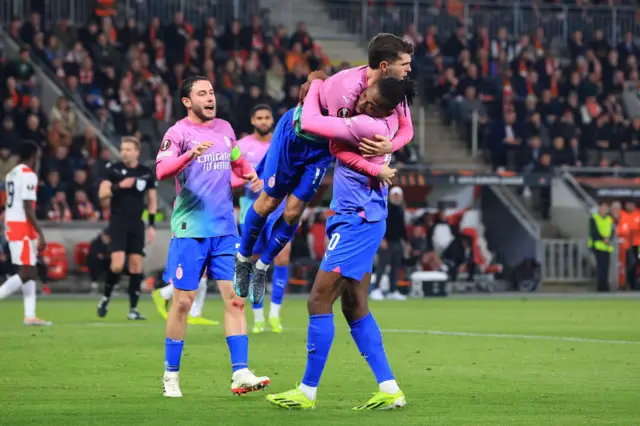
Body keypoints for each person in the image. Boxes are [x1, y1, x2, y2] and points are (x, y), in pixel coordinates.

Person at [266, 77, 416, 410]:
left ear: (384, 109)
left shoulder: (364, 123)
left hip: (356, 220)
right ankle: (390, 388)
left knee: (318, 300)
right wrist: (381, 165)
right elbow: (404, 127)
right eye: (366, 95)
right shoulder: (391, 118)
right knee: (354, 306)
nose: (363, 101)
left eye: (373, 101)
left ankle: (307, 391)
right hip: (362, 215)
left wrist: (317, 84)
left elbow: (310, 122)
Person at [235, 33, 415, 304]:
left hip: (323, 149)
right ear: (384, 66)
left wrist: (389, 146)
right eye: (405, 64)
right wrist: (317, 83)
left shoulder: (393, 91)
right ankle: (243, 258)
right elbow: (315, 125)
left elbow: (407, 129)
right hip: (296, 137)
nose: (409, 70)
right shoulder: (347, 88)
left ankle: (263, 266)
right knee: (269, 202)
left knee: (294, 212)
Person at [155, 75, 269, 398]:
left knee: (235, 298)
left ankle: (241, 373)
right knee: (183, 303)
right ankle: (171, 377)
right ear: (187, 102)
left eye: (212, 92)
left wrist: (249, 174)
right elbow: (162, 171)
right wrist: (189, 156)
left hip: (225, 229)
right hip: (190, 230)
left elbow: (237, 161)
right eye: (202, 93)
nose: (210, 97)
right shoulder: (177, 133)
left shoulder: (225, 129)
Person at [234, 105, 290, 334]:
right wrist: (247, 182)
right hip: (252, 208)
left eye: (267, 117)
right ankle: (257, 318)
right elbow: (232, 174)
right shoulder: (242, 146)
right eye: (260, 117)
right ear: (252, 120)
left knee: (283, 258)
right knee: (253, 258)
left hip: (280, 208)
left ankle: (275, 315)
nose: (264, 121)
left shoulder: (282, 143)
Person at [96, 136, 158, 320]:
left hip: (137, 223)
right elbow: (102, 194)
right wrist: (118, 187)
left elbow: (152, 200)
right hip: (118, 222)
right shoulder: (113, 170)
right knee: (116, 265)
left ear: (137, 152)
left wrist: (152, 225)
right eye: (123, 149)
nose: (124, 152)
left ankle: (133, 309)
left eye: (128, 149)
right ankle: (105, 297)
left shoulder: (145, 172)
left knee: (136, 266)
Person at [0, 141, 51, 325]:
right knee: (29, 272)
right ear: (33, 156)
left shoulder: (12, 173)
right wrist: (40, 232)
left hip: (13, 223)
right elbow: (28, 207)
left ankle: (30, 315)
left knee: (27, 269)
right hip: (21, 225)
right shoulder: (28, 175)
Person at [372, 186, 408, 300]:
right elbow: (379, 225)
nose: (396, 198)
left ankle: (393, 290)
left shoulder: (400, 210)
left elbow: (402, 228)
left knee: (395, 268)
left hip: (397, 242)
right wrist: (382, 239)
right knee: (382, 267)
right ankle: (376, 289)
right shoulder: (385, 209)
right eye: (394, 195)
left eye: (398, 196)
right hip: (386, 242)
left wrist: (406, 242)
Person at [588, 201, 613, 292]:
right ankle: (601, 287)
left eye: (606, 208)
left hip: (607, 247)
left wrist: (609, 239)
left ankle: (605, 286)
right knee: (600, 267)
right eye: (602, 208)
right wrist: (603, 239)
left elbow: (612, 230)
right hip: (597, 246)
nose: (604, 210)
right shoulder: (594, 218)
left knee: (606, 267)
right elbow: (594, 233)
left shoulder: (609, 219)